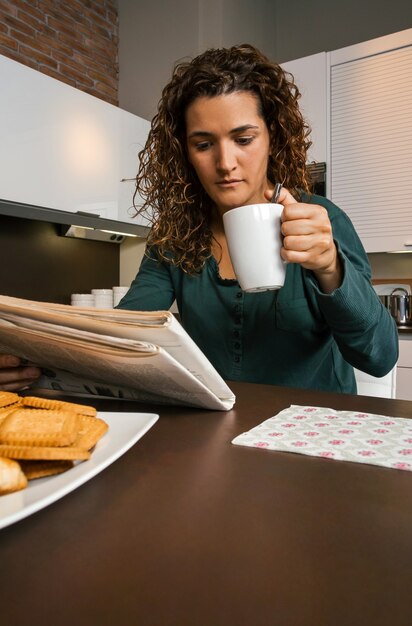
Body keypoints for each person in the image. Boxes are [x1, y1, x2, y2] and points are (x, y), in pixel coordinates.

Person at [0, 44, 398, 394]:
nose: (225, 164)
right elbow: (125, 332)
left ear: (272, 136)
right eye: (204, 144)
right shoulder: (175, 236)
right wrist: (30, 359)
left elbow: (379, 358)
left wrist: (329, 267)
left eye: (243, 139)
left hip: (310, 440)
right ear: (185, 153)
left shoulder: (320, 221)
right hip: (215, 438)